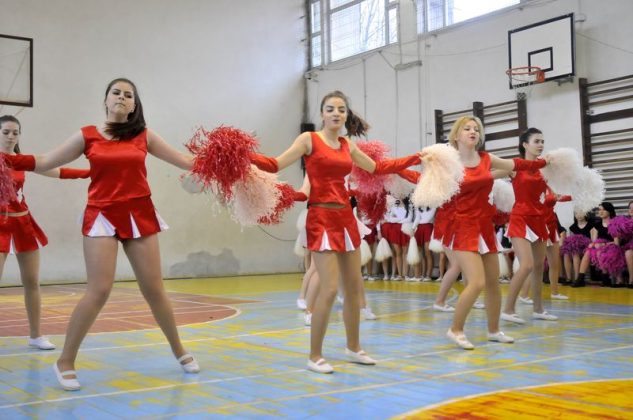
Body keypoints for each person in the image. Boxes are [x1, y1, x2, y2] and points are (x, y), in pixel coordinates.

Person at [2, 78, 200, 390]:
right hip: (101, 216)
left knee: (154, 289)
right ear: (105, 100)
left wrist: (227, 160)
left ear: (134, 106)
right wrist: (8, 158)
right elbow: (45, 161)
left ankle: (179, 350)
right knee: (99, 290)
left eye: (128, 95)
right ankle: (65, 360)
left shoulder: (144, 135)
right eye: (116, 92)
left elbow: (187, 161)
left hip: (139, 215)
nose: (121, 97)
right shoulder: (87, 135)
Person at [250, 90, 422, 373]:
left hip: (345, 218)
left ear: (346, 115)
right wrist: (243, 154)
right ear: (322, 113)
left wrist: (414, 157)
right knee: (329, 289)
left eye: (341, 109)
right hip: (321, 218)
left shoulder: (347, 145)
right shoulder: (309, 139)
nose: (336, 113)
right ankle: (314, 355)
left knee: (353, 288)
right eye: (330, 109)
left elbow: (377, 167)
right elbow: (275, 164)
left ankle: (354, 347)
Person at [441, 117, 549, 350]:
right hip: (462, 227)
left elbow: (515, 164)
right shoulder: (449, 162)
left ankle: (493, 330)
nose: (473, 131)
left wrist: (543, 162)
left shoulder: (486, 159)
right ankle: (455, 329)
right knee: (476, 282)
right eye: (467, 129)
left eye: (476, 129)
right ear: (456, 135)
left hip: (485, 227)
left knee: (493, 282)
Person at [0, 115, 89, 351]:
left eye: (15, 132)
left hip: (23, 224)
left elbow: (56, 171)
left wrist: (89, 173)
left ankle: (36, 335)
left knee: (32, 282)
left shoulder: (22, 161)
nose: (10, 136)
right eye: (6, 132)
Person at [501, 128, 557, 325]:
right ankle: (508, 309)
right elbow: (489, 175)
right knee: (526, 265)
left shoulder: (544, 167)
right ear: (525, 144)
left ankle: (538, 309)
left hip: (539, 219)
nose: (541, 145)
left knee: (539, 266)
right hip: (520, 218)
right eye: (536, 141)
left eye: (542, 141)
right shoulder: (515, 165)